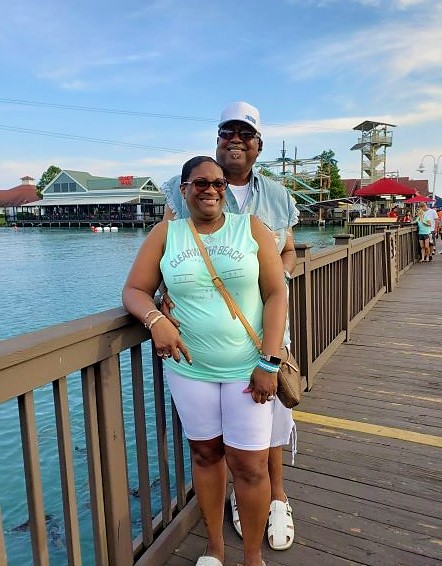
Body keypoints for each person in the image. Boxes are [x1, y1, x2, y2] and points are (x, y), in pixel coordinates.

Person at [123, 155, 288, 566]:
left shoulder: (250, 228)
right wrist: (155, 319)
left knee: (250, 465)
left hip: (248, 370)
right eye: (200, 183)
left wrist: (269, 362)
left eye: (217, 182)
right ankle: (215, 546)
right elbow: (134, 290)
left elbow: (276, 293)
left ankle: (252, 556)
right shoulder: (167, 233)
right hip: (189, 369)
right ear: (184, 191)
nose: (210, 189)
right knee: (205, 455)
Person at [161, 101, 299, 551]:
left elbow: (289, 252)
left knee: (271, 418)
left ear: (258, 144)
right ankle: (239, 508)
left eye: (245, 133)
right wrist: (160, 303)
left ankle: (275, 496)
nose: (235, 140)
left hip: (261, 329)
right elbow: (165, 248)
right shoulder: (177, 190)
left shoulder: (276, 196)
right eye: (227, 132)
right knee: (216, 445)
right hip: (202, 345)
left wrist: (275, 278)